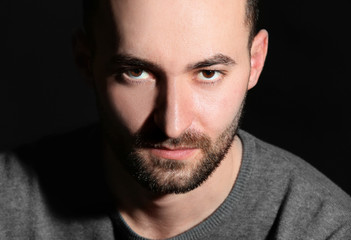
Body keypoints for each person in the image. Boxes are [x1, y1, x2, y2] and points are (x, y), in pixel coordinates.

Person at [1, 0, 351, 239]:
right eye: (135, 72)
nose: (172, 125)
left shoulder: (324, 229)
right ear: (85, 61)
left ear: (255, 62)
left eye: (209, 73)